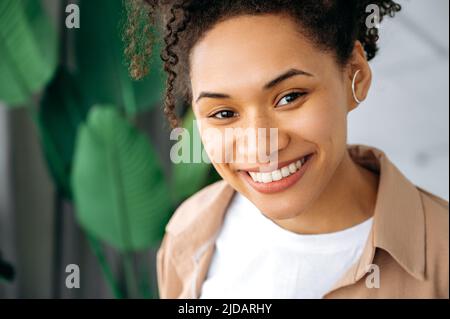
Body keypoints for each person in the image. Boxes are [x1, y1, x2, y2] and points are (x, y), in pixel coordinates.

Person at [125, 0, 449, 298]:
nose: (261, 145)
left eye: (289, 97)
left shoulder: (441, 256)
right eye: (224, 114)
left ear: (355, 76)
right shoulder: (189, 233)